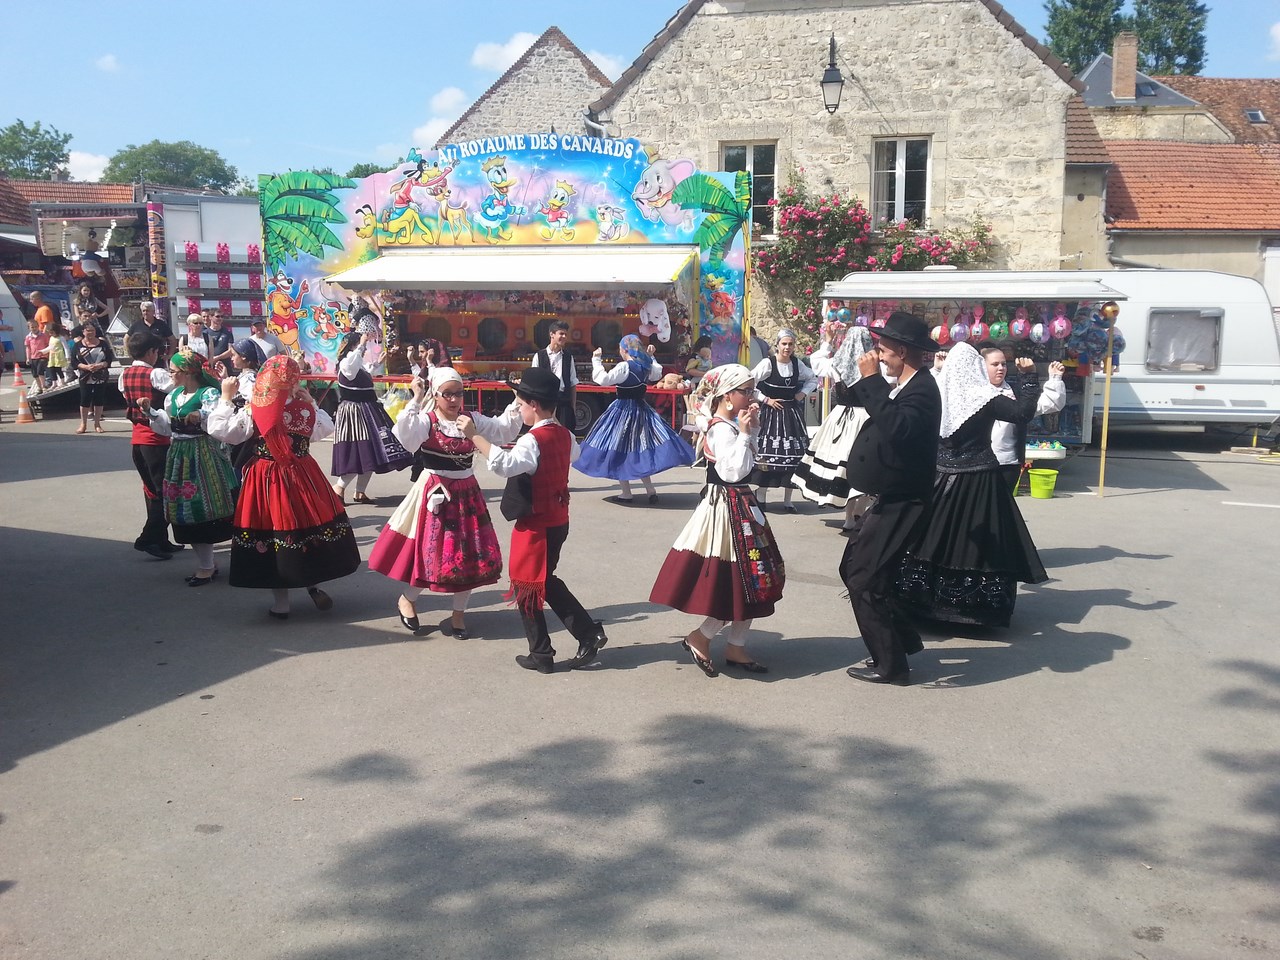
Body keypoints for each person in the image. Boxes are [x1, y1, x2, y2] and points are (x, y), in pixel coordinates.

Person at [460, 366, 607, 674]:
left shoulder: (533, 440)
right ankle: (585, 633)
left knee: (527, 583)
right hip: (558, 519)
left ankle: (542, 652)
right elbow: (575, 457)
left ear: (535, 406)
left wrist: (474, 436)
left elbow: (504, 465)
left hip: (537, 523)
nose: (518, 409)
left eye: (520, 404)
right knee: (544, 580)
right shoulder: (565, 434)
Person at [897, 341, 1048, 628]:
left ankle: (923, 602)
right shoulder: (983, 396)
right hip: (980, 478)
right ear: (975, 367)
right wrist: (1029, 378)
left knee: (933, 537)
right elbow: (1022, 414)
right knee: (981, 543)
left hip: (939, 476)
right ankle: (974, 610)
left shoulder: (937, 392)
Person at [650, 364, 784, 676]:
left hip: (740, 504)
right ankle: (703, 636)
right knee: (736, 580)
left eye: (752, 390)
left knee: (752, 577)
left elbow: (747, 464)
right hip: (725, 507)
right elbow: (731, 472)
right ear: (726, 397)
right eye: (745, 391)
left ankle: (735, 644)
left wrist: (750, 430)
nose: (750, 397)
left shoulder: (733, 425)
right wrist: (746, 433)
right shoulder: (721, 428)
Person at [368, 366, 523, 637]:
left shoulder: (471, 419)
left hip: (467, 493)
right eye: (447, 394)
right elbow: (405, 435)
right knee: (430, 554)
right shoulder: (427, 421)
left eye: (458, 394)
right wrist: (415, 399)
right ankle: (408, 598)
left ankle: (459, 615)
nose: (453, 400)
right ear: (435, 395)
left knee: (468, 556)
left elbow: (504, 430)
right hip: (434, 494)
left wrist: (517, 399)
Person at [207, 355, 360, 619]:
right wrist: (310, 401)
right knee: (306, 524)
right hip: (303, 473)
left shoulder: (256, 408)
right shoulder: (304, 408)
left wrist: (225, 398)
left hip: (266, 476)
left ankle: (281, 603)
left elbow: (222, 431)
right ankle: (312, 583)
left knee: (272, 529)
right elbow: (324, 429)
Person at [838, 312, 941, 687]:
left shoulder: (923, 389)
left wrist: (872, 382)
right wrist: (863, 381)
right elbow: (869, 407)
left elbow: (898, 428)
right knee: (857, 571)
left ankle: (891, 663)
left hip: (904, 501)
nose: (879, 357)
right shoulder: (905, 385)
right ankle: (899, 643)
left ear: (901, 350)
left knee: (863, 579)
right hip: (891, 497)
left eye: (883, 350)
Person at [144, 349, 239, 585]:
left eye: (174, 371)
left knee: (204, 507)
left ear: (187, 373)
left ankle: (207, 565)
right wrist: (149, 412)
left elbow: (216, 418)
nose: (170, 375)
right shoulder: (172, 396)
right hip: (179, 456)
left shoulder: (208, 394)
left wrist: (200, 415)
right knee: (185, 510)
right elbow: (166, 427)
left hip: (203, 455)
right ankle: (206, 563)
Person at [574, 334, 693, 505]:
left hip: (622, 411)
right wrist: (651, 356)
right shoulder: (645, 365)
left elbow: (603, 380)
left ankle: (626, 492)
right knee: (639, 449)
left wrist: (596, 360)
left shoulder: (625, 366)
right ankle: (650, 490)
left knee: (619, 450)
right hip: (642, 410)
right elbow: (656, 374)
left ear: (624, 349)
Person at [793, 326, 875, 530]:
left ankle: (850, 516)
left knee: (844, 466)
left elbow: (817, 363)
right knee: (860, 465)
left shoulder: (836, 365)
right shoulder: (874, 368)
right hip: (864, 417)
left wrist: (827, 342)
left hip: (842, 418)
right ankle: (857, 514)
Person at [118, 331, 182, 561]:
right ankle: (148, 538)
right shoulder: (155, 373)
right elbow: (175, 388)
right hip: (156, 439)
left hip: (138, 439)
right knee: (164, 492)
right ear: (151, 352)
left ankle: (161, 540)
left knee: (152, 491)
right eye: (157, 351)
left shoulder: (124, 375)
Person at [330, 330, 413, 503]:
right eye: (359, 345)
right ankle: (338, 488)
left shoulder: (356, 365)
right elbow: (352, 367)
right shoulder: (346, 363)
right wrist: (361, 344)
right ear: (353, 346)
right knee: (358, 451)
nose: (364, 349)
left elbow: (365, 372)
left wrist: (377, 364)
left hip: (367, 410)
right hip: (355, 413)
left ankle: (360, 491)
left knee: (371, 453)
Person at [748, 328, 819, 512]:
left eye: (790, 344)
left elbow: (813, 379)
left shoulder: (797, 364)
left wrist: (802, 393)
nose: (787, 347)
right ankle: (761, 495)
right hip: (771, 415)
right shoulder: (768, 363)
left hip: (791, 414)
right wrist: (766, 399)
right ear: (777, 345)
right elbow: (750, 382)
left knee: (794, 457)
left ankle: (788, 500)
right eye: (784, 344)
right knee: (767, 455)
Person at [988, 352, 1067, 489]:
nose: (1001, 368)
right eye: (995, 364)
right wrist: (938, 370)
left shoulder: (1014, 394)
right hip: (977, 463)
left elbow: (1050, 404)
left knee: (1002, 506)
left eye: (1004, 364)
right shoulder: (973, 393)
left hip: (1007, 462)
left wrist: (1055, 378)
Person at [528, 319, 578, 432]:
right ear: (552, 334)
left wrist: (573, 407)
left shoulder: (568, 357)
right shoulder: (539, 356)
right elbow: (534, 382)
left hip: (563, 402)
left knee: (565, 434)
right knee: (547, 433)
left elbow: (572, 383)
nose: (564, 336)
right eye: (561, 333)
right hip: (545, 403)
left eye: (565, 334)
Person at [72, 321, 116, 434]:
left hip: (100, 375)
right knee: (85, 399)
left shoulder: (103, 344)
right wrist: (86, 367)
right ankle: (83, 424)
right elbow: (74, 362)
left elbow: (109, 359)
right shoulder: (78, 345)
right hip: (85, 375)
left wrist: (100, 365)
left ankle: (97, 424)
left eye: (92, 330)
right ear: (83, 332)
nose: (90, 333)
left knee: (99, 399)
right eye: (88, 331)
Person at [23, 317, 49, 393]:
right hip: (33, 357)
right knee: (35, 374)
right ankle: (39, 387)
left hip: (42, 356)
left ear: (38, 326)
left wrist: (47, 354)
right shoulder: (28, 337)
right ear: (29, 328)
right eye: (32, 327)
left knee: (40, 371)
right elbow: (28, 348)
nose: (34, 328)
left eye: (35, 327)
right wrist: (28, 358)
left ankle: (44, 386)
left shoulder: (43, 335)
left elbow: (48, 345)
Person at [43, 316, 69, 387]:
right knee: (51, 369)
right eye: (50, 333)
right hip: (52, 356)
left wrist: (67, 356)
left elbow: (66, 347)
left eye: (52, 332)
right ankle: (54, 383)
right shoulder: (51, 338)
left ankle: (62, 381)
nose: (50, 334)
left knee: (58, 369)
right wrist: (43, 351)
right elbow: (50, 347)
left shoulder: (61, 338)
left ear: (56, 331)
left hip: (59, 356)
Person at [207, 313, 235, 377]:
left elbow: (230, 350)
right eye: (217, 316)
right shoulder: (205, 333)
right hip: (210, 368)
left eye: (222, 316)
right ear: (210, 317)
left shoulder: (228, 333)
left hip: (225, 367)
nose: (220, 318)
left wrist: (217, 358)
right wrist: (211, 359)